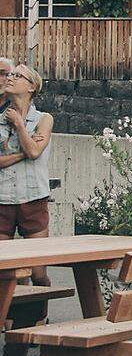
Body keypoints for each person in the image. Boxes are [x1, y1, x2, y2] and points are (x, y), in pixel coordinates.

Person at [0, 65, 54, 283]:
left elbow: (34, 150)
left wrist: (20, 125)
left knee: (37, 271)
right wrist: (23, 154)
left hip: (32, 198)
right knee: (5, 270)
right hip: (2, 199)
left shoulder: (44, 119)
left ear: (31, 87)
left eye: (18, 75)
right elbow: (30, 152)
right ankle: (9, 317)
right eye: (10, 75)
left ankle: (39, 317)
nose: (10, 78)